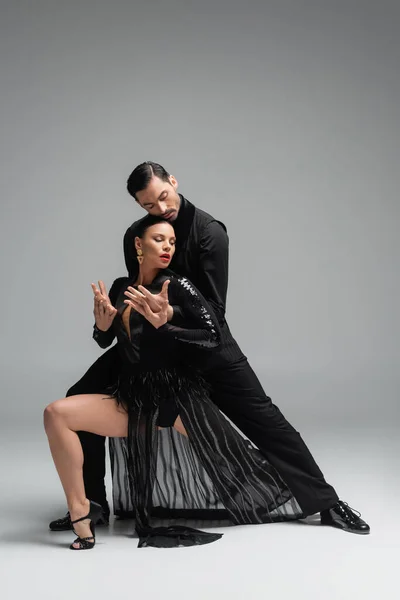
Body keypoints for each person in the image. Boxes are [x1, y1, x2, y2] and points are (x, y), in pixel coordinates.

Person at [49, 161, 369, 535]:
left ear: (173, 181)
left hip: (207, 347)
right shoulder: (135, 236)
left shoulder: (209, 233)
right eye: (149, 206)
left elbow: (214, 312)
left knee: (267, 422)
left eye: (163, 197)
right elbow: (138, 296)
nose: (161, 209)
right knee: (79, 396)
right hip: (156, 347)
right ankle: (93, 504)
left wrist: (170, 317)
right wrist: (109, 327)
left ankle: (327, 503)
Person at [44, 216, 304, 551]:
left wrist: (167, 323)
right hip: (132, 397)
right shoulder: (121, 287)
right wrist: (101, 326)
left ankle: (314, 497)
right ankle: (82, 512)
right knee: (56, 413)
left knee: (240, 463)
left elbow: (212, 335)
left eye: (172, 242)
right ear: (139, 245)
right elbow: (107, 341)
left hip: (173, 397)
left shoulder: (178, 286)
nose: (168, 247)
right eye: (159, 240)